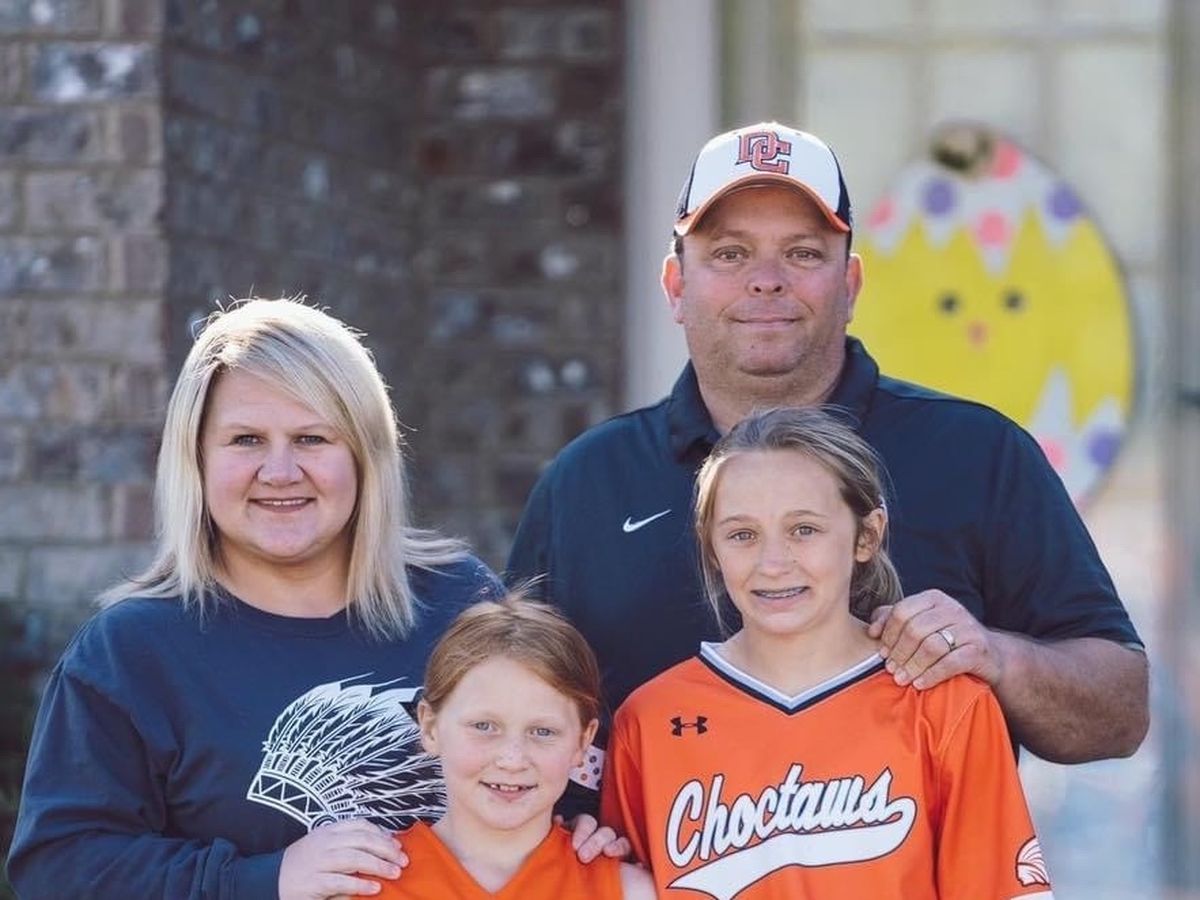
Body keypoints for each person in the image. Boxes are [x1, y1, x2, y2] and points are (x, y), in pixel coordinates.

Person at [508, 121, 1148, 816]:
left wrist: (995, 657)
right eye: (729, 253)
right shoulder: (586, 484)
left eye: (803, 252)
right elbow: (501, 721)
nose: (766, 280)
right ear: (675, 286)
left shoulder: (977, 454)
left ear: (850, 283)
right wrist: (570, 834)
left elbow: (1119, 712)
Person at [7, 297, 507, 900]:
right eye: (246, 439)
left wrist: (585, 832)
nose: (279, 470)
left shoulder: (460, 605)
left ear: (365, 454)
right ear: (196, 458)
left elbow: (562, 769)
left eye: (311, 438)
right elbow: (59, 867)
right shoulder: (131, 652)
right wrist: (262, 879)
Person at [601, 407, 1055, 898]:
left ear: (867, 535)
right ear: (711, 548)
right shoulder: (650, 720)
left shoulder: (944, 703)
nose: (773, 563)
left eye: (804, 529)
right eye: (742, 535)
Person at [359, 596, 655, 899]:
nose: (512, 760)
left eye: (542, 731)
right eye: (484, 726)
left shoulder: (630, 893)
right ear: (430, 726)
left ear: (583, 741)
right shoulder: (360, 888)